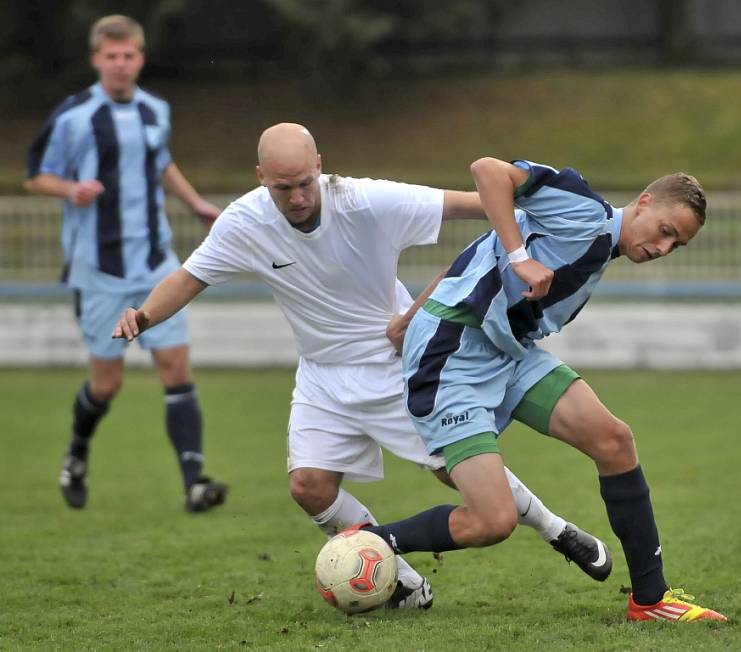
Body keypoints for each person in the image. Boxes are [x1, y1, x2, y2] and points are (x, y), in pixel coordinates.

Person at [113, 123, 613, 610]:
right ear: (261, 176)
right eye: (283, 188)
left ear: (320, 167)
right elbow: (189, 276)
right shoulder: (243, 222)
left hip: (395, 361)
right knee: (309, 487)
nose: (298, 197)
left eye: (305, 183)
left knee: (457, 476)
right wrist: (144, 314)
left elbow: (474, 201)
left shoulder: (366, 201)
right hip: (321, 375)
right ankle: (400, 579)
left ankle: (556, 529)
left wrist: (547, 230)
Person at [354, 158, 727, 622]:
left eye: (678, 243)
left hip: (506, 351)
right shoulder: (582, 207)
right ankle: (368, 541)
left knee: (614, 441)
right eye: (666, 230)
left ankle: (650, 601)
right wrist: (519, 258)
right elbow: (488, 170)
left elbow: (475, 254)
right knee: (493, 521)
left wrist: (409, 316)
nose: (664, 246)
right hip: (451, 354)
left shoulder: (593, 242)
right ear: (645, 202)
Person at [24, 15, 227, 513]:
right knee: (107, 384)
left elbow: (159, 163)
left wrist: (195, 203)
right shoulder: (74, 116)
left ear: (140, 57)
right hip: (97, 270)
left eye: (129, 55)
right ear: (97, 60)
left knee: (175, 367)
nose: (120, 64)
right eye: (111, 56)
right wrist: (70, 189)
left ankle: (194, 482)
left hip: (155, 263)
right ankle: (76, 454)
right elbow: (36, 176)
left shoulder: (155, 110)